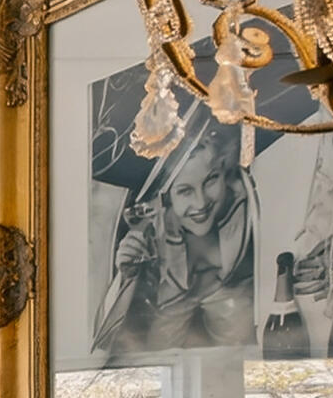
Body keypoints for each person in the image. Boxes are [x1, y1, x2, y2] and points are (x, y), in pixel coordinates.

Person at [94, 116, 257, 361]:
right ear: (167, 195)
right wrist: (127, 276)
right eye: (185, 191)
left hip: (233, 315)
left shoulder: (246, 206)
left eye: (211, 180)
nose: (200, 203)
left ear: (224, 172)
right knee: (158, 349)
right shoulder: (152, 228)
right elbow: (110, 339)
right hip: (171, 313)